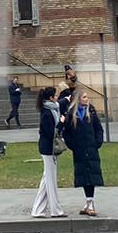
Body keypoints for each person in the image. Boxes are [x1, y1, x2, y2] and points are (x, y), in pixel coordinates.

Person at [63, 88, 105, 216]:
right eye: (85, 97)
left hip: (91, 148)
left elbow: (98, 128)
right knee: (83, 176)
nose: (87, 99)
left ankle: (90, 202)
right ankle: (88, 202)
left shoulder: (91, 112)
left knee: (91, 176)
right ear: (78, 99)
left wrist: (97, 142)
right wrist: (73, 145)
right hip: (79, 149)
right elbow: (67, 133)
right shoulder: (71, 114)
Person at [31, 87, 66, 218]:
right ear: (51, 98)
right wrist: (61, 124)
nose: (57, 97)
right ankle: (55, 210)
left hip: (49, 148)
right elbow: (51, 132)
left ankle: (38, 209)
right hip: (48, 149)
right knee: (51, 180)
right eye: (56, 95)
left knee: (47, 179)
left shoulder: (53, 109)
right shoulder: (47, 112)